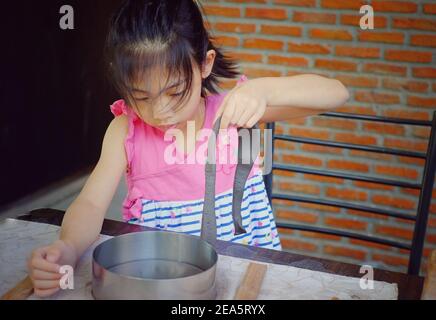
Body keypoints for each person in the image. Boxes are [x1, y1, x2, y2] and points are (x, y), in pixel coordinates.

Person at [27, 0, 349, 298]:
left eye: (175, 91)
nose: (160, 111)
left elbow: (336, 93)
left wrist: (263, 89)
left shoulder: (231, 114)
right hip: (165, 284)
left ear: (205, 64)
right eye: (141, 97)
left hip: (247, 279)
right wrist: (68, 246)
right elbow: (91, 203)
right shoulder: (126, 130)